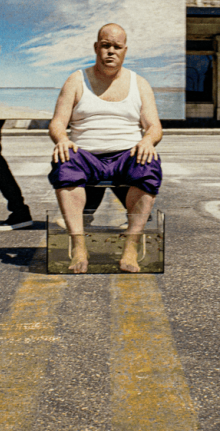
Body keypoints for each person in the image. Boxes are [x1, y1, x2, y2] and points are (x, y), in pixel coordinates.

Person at [48, 23, 162, 273]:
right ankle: (78, 246)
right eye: (105, 45)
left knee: (149, 166)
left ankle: (130, 248)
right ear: (96, 48)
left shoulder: (139, 83)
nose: (111, 51)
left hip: (127, 154)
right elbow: (57, 122)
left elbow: (154, 126)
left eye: (116, 47)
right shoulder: (76, 80)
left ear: (125, 50)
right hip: (86, 154)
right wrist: (63, 140)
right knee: (64, 163)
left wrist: (147, 140)